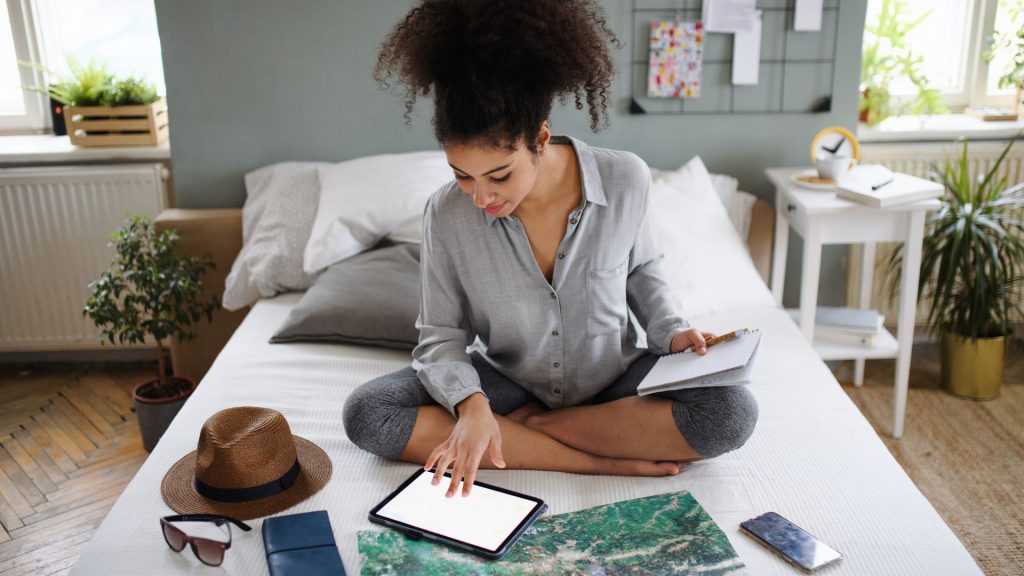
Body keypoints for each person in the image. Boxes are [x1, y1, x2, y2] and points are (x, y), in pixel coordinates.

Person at [344, 0, 757, 499]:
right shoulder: (445, 214)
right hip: (507, 381)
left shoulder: (625, 178)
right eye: (462, 175)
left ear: (539, 138)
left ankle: (528, 429)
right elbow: (441, 334)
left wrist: (671, 332)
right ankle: (590, 460)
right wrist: (473, 407)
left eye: (499, 175)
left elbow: (642, 270)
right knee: (369, 413)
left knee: (732, 412)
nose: (481, 197)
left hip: (614, 377)